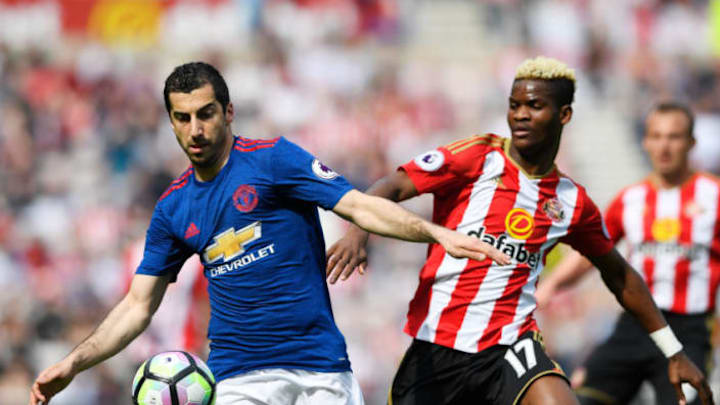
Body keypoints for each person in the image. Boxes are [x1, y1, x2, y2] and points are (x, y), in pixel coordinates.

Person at [28, 62, 510, 405]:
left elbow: (359, 205)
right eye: (183, 117)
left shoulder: (274, 159)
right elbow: (137, 306)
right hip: (241, 379)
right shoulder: (173, 208)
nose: (196, 128)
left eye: (206, 113)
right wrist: (74, 363)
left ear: (228, 112)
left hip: (322, 367)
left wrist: (435, 234)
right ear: (171, 122)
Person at [326, 57, 714, 405]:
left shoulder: (571, 201)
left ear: (564, 115)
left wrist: (673, 351)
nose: (521, 115)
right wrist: (358, 230)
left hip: (511, 345)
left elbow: (619, 273)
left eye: (535, 105)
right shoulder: (476, 157)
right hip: (437, 346)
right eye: (515, 106)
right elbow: (394, 185)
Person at [535, 102, 720, 405]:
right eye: (657, 136)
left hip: (690, 331)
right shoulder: (631, 198)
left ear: (691, 143)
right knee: (579, 397)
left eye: (673, 137)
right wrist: (551, 286)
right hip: (635, 325)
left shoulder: (714, 195)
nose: (664, 146)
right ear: (645, 141)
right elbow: (593, 252)